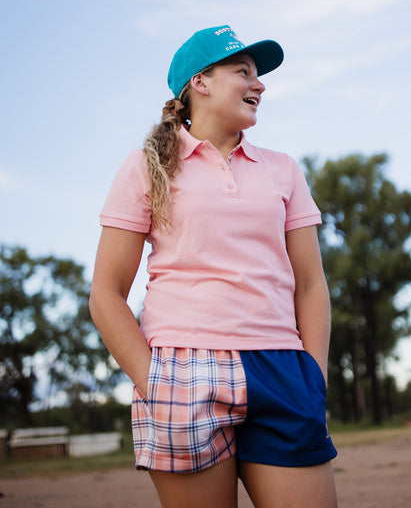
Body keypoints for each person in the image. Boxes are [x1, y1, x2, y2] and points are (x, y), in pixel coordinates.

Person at [89, 25, 338, 508]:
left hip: (283, 368)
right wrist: (153, 382)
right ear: (200, 81)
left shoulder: (284, 169)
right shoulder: (145, 166)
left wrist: (315, 377)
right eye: (243, 71)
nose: (259, 85)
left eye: (258, 75)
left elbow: (310, 284)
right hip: (182, 368)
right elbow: (106, 293)